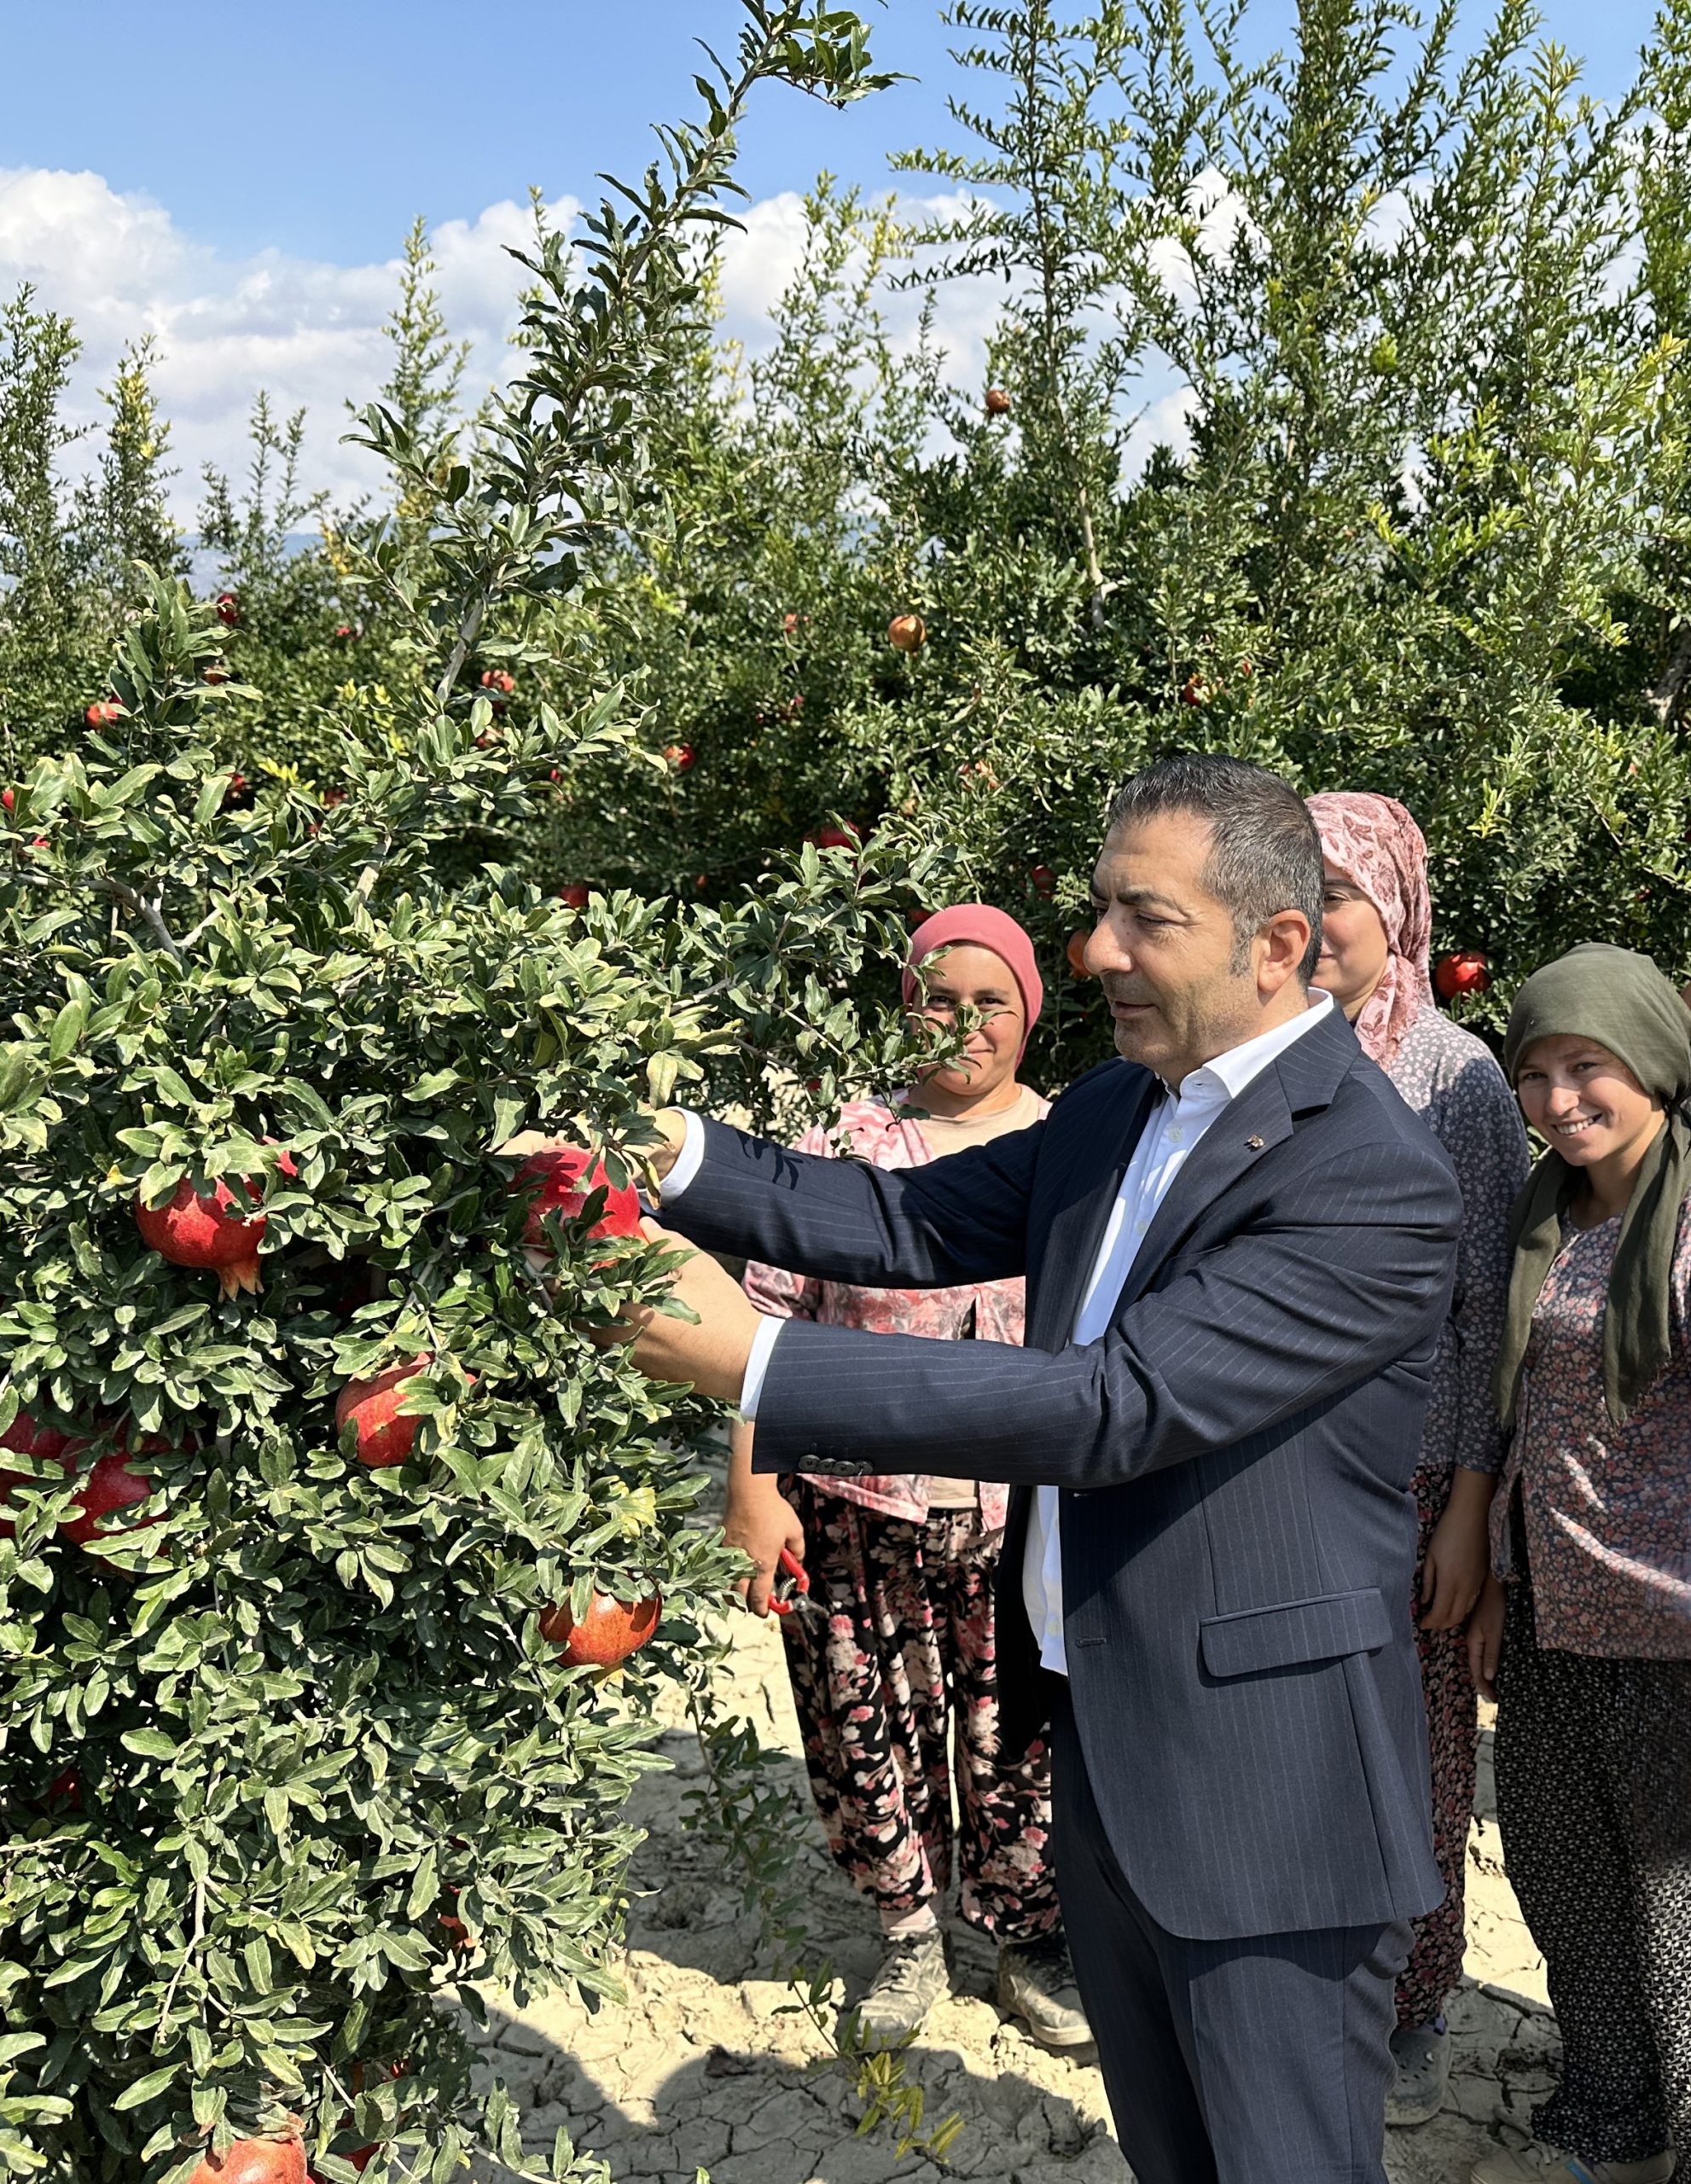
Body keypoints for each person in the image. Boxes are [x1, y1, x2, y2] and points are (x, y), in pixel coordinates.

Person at [605, 752, 1464, 2184]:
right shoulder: (1119, 1108)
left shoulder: (1367, 1176)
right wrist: (670, 1153)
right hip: (1107, 1744)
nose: (1096, 951)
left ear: (1278, 944)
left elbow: (1116, 1407)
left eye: (1145, 918)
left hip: (1267, 1796)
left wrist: (753, 1365)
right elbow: (895, 1219)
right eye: (1099, 909)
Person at [725, 905, 1089, 2049]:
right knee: (866, 1720)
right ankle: (907, 1934)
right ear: (905, 1008)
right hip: (857, 1507)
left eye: (993, 1003)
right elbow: (767, 1324)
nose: (966, 1025)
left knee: (1020, 1730)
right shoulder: (848, 1144)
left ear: (1030, 1015)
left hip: (1025, 1513)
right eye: (941, 1000)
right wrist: (753, 1487)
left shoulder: (1073, 1144)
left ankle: (1030, 1937)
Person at [1308, 791, 1531, 2124]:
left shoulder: (1456, 1076)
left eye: (1339, 893)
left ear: (1392, 910)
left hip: (1413, 1480)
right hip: (1285, 1471)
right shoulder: (1259, 1055)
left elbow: (1488, 1310)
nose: (1312, 919)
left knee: (1420, 1751)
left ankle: (1415, 1998)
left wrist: (1466, 1510)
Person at [1464, 944, 1691, 2184]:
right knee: (1568, 1887)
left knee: (1676, 1909)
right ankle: (1613, 2113)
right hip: (1552, 1613)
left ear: (1652, 1061)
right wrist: (1499, 1578)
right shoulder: (1544, 1215)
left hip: (1670, 1630)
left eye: (1587, 1065)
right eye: (1535, 1073)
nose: (1558, 1100)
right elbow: (1515, 1414)